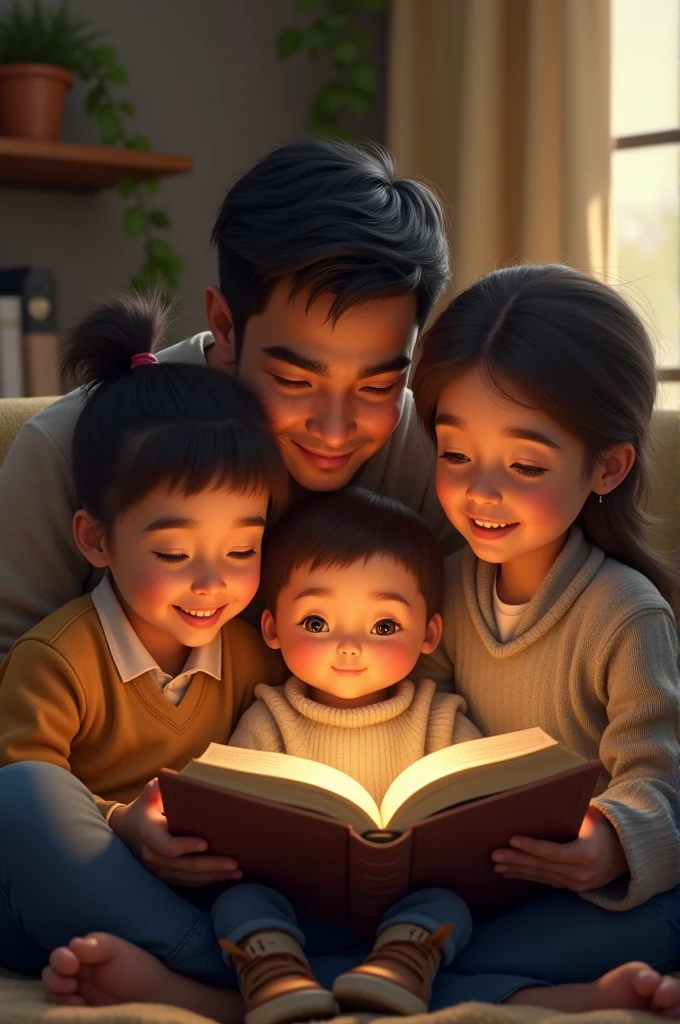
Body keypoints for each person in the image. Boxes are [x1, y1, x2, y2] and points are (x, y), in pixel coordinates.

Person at [41, 490, 680, 1019]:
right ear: (272, 628)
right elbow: (230, 805)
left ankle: (323, 986)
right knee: (241, 909)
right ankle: (276, 981)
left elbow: (477, 802)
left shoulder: (442, 716)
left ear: (430, 633)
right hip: (297, 916)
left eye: (383, 627)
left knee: (447, 913)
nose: (349, 646)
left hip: (414, 922)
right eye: (317, 623)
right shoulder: (267, 716)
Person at [0, 137, 456, 661]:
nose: (334, 430)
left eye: (377, 386)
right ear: (224, 324)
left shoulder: (431, 454)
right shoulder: (71, 448)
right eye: (296, 381)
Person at [0, 293, 286, 1002]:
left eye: (241, 548)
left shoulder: (252, 656)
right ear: (96, 539)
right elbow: (22, 797)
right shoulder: (61, 657)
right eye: (174, 551)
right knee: (24, 795)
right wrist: (122, 825)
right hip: (64, 888)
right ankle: (227, 988)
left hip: (202, 888)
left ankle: (267, 965)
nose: (211, 582)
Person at [406, 264, 680, 984]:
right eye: (456, 453)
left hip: (607, 895)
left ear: (608, 467)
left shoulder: (626, 612)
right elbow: (425, 718)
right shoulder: (443, 584)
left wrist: (609, 843)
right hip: (484, 885)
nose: (480, 491)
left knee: (444, 965)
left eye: (525, 464)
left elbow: (657, 778)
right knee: (403, 942)